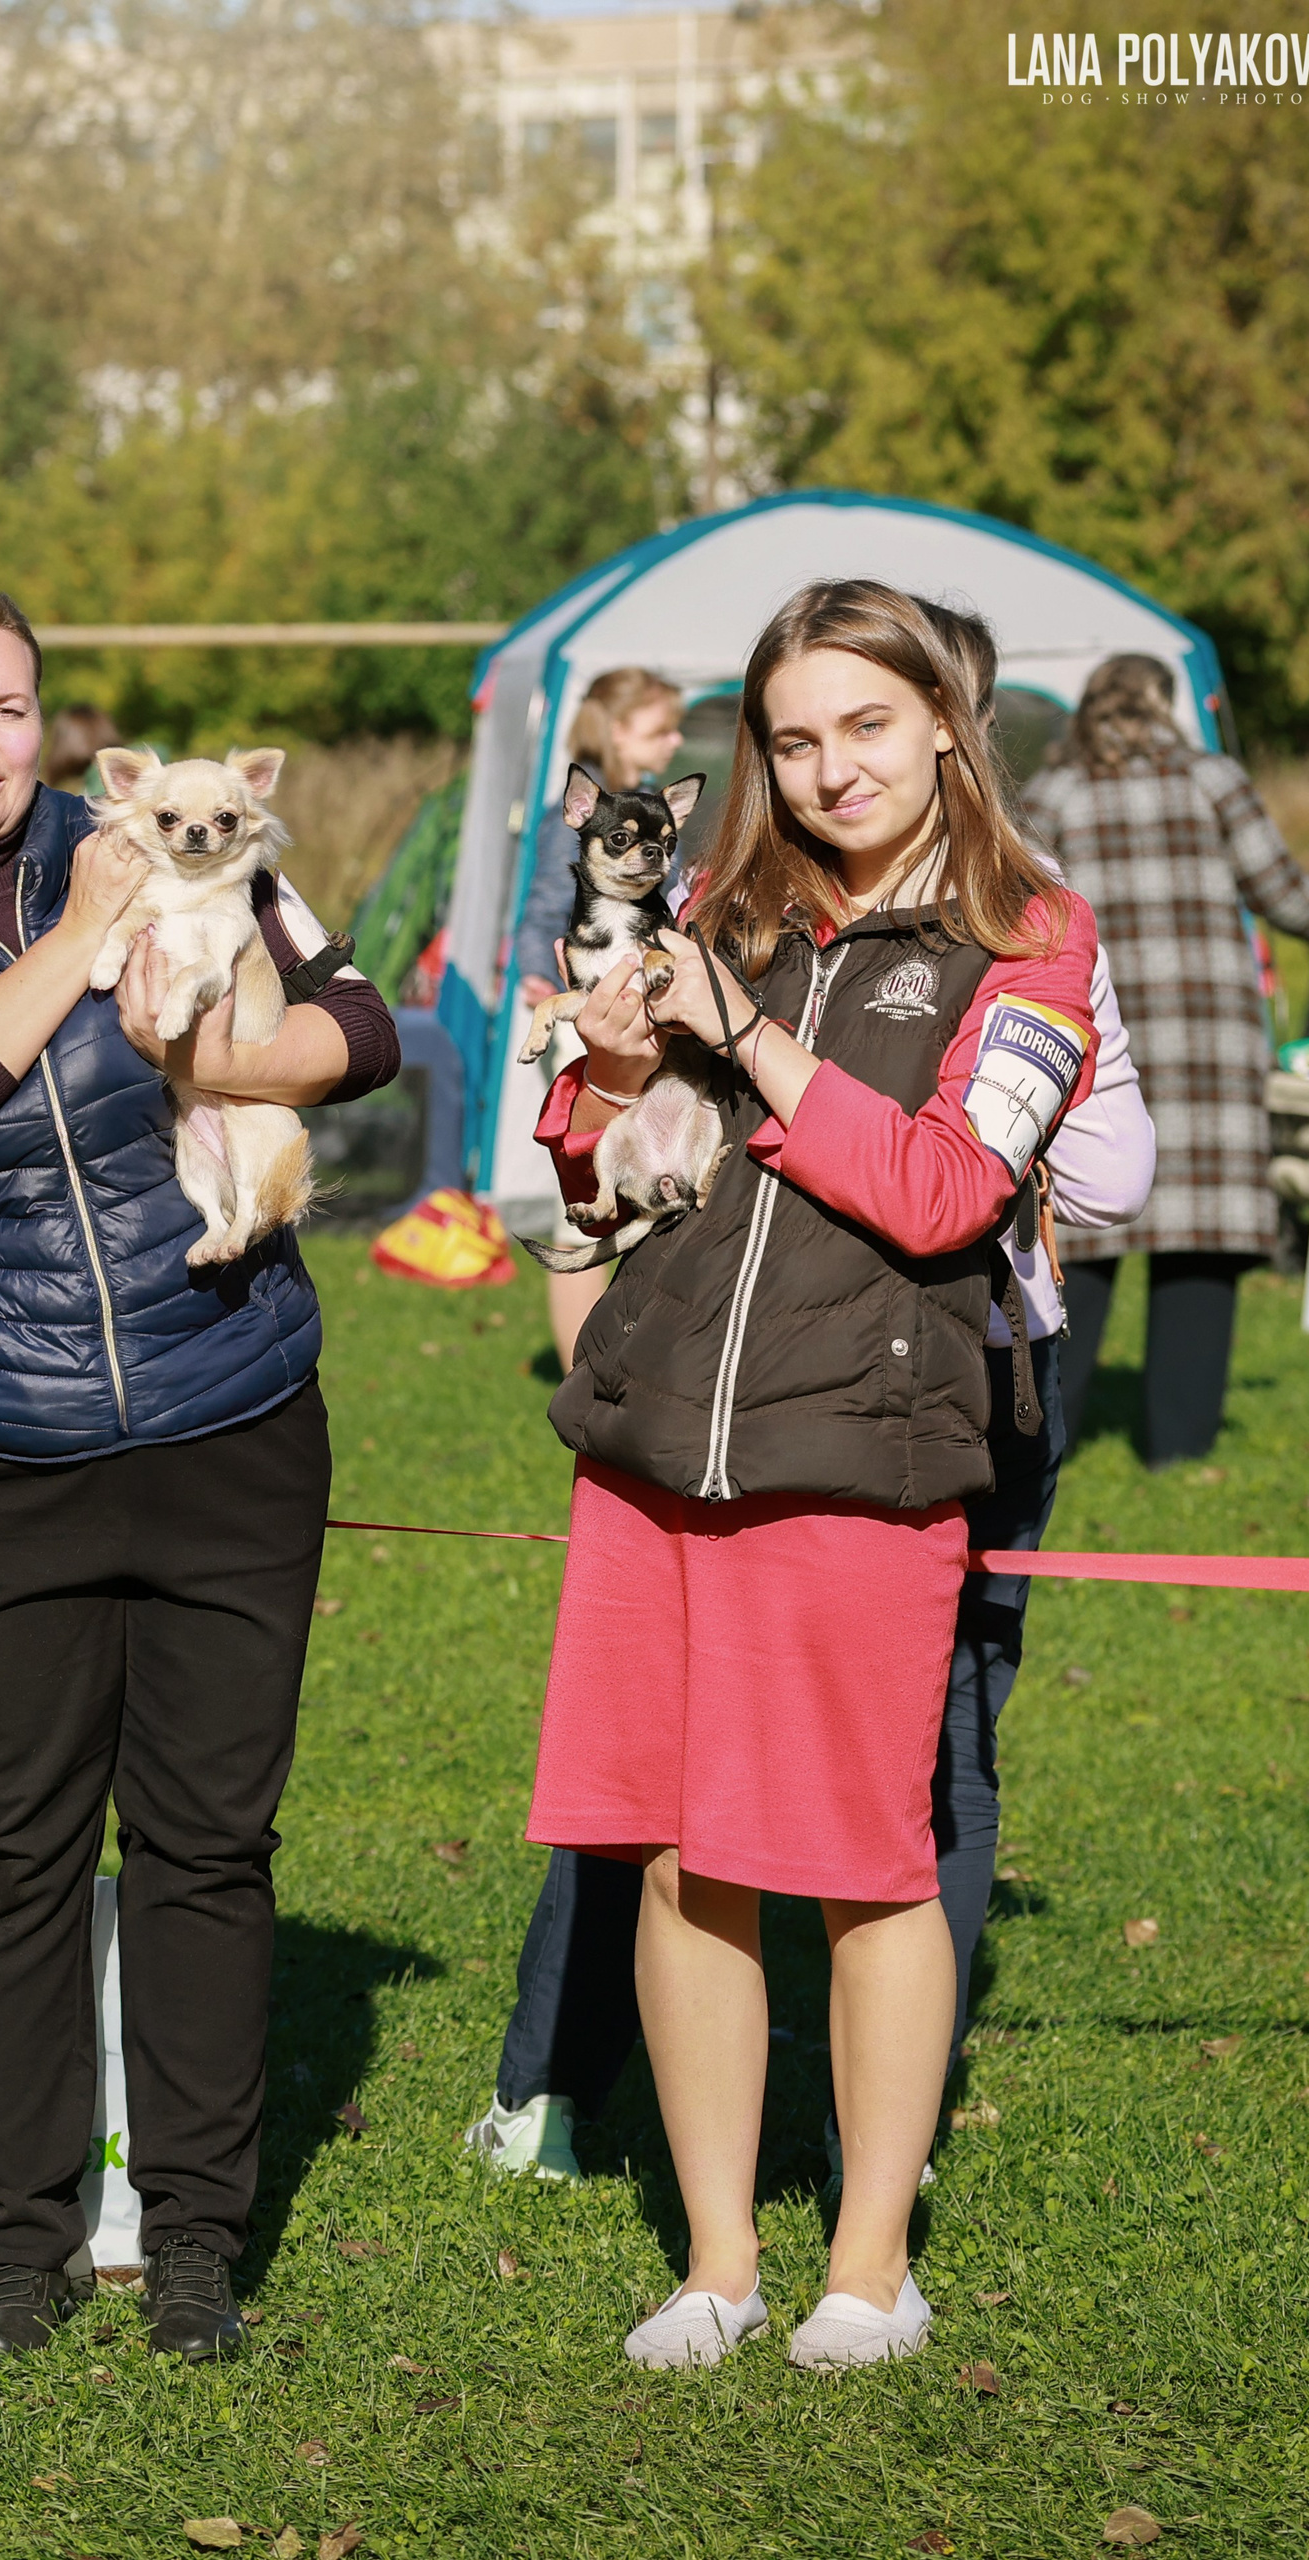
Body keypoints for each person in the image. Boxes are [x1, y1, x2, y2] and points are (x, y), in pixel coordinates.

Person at [0, 579, 399, 2364]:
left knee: (210, 1844)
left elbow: (363, 1017)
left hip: (229, 1416)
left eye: (8, 706)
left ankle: (195, 2237)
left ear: (51, 725)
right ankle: (24, 2244)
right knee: (15, 1847)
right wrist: (83, 933)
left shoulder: (195, 836)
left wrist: (241, 1047)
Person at [467, 602, 1155, 2190]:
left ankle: (866, 2264)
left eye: (863, 725)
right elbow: (594, 1172)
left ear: (941, 721)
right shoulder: (726, 902)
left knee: (870, 1862)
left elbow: (940, 1195)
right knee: (671, 1858)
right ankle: (712, 2259)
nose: (830, 768)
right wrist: (612, 1072)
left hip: (860, 1446)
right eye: (792, 738)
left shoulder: (1034, 930)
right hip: (661, 1447)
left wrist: (751, 1043)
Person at [1020, 655, 1309, 1466]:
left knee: (1082, 1239)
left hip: (1094, 1037)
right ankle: (1178, 1454)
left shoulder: (1058, 791)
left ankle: (1052, 1437)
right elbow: (1285, 895)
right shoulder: (1213, 778)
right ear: (1166, 703)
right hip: (1209, 1039)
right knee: (1201, 1247)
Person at [513, 668, 687, 1369]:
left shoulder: (651, 815)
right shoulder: (590, 812)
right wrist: (537, 973)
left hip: (644, 1006)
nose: (674, 739)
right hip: (579, 1003)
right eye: (659, 727)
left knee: (648, 1172)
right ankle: (580, 1364)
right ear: (618, 731)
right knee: (586, 1185)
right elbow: (547, 898)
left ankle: (634, 1351)